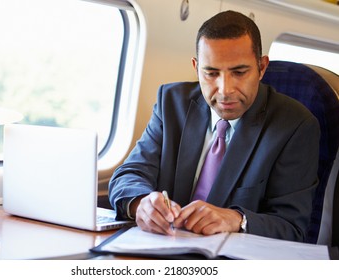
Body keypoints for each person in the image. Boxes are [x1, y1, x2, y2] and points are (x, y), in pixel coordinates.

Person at [108, 10, 320, 242]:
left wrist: (237, 220)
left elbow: (291, 227)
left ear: (261, 67)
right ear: (196, 67)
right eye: (211, 73)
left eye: (239, 72)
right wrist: (141, 203)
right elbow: (128, 175)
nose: (225, 89)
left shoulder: (295, 125)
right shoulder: (172, 103)